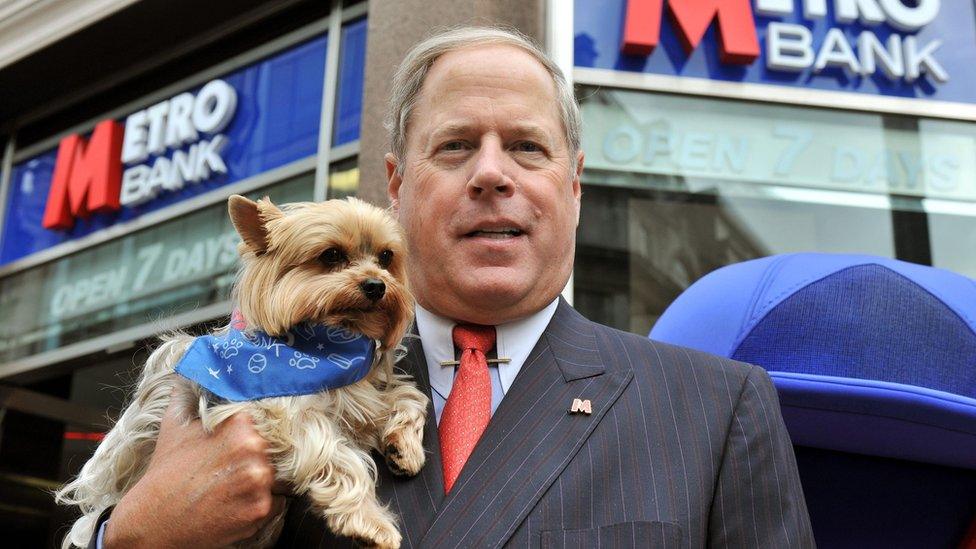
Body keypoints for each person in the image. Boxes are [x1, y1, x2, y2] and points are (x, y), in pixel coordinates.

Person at [94, 27, 814, 548]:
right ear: (397, 187)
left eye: (528, 146)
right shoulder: (249, 382)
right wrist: (131, 535)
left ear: (575, 185)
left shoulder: (715, 409)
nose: (492, 173)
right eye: (456, 145)